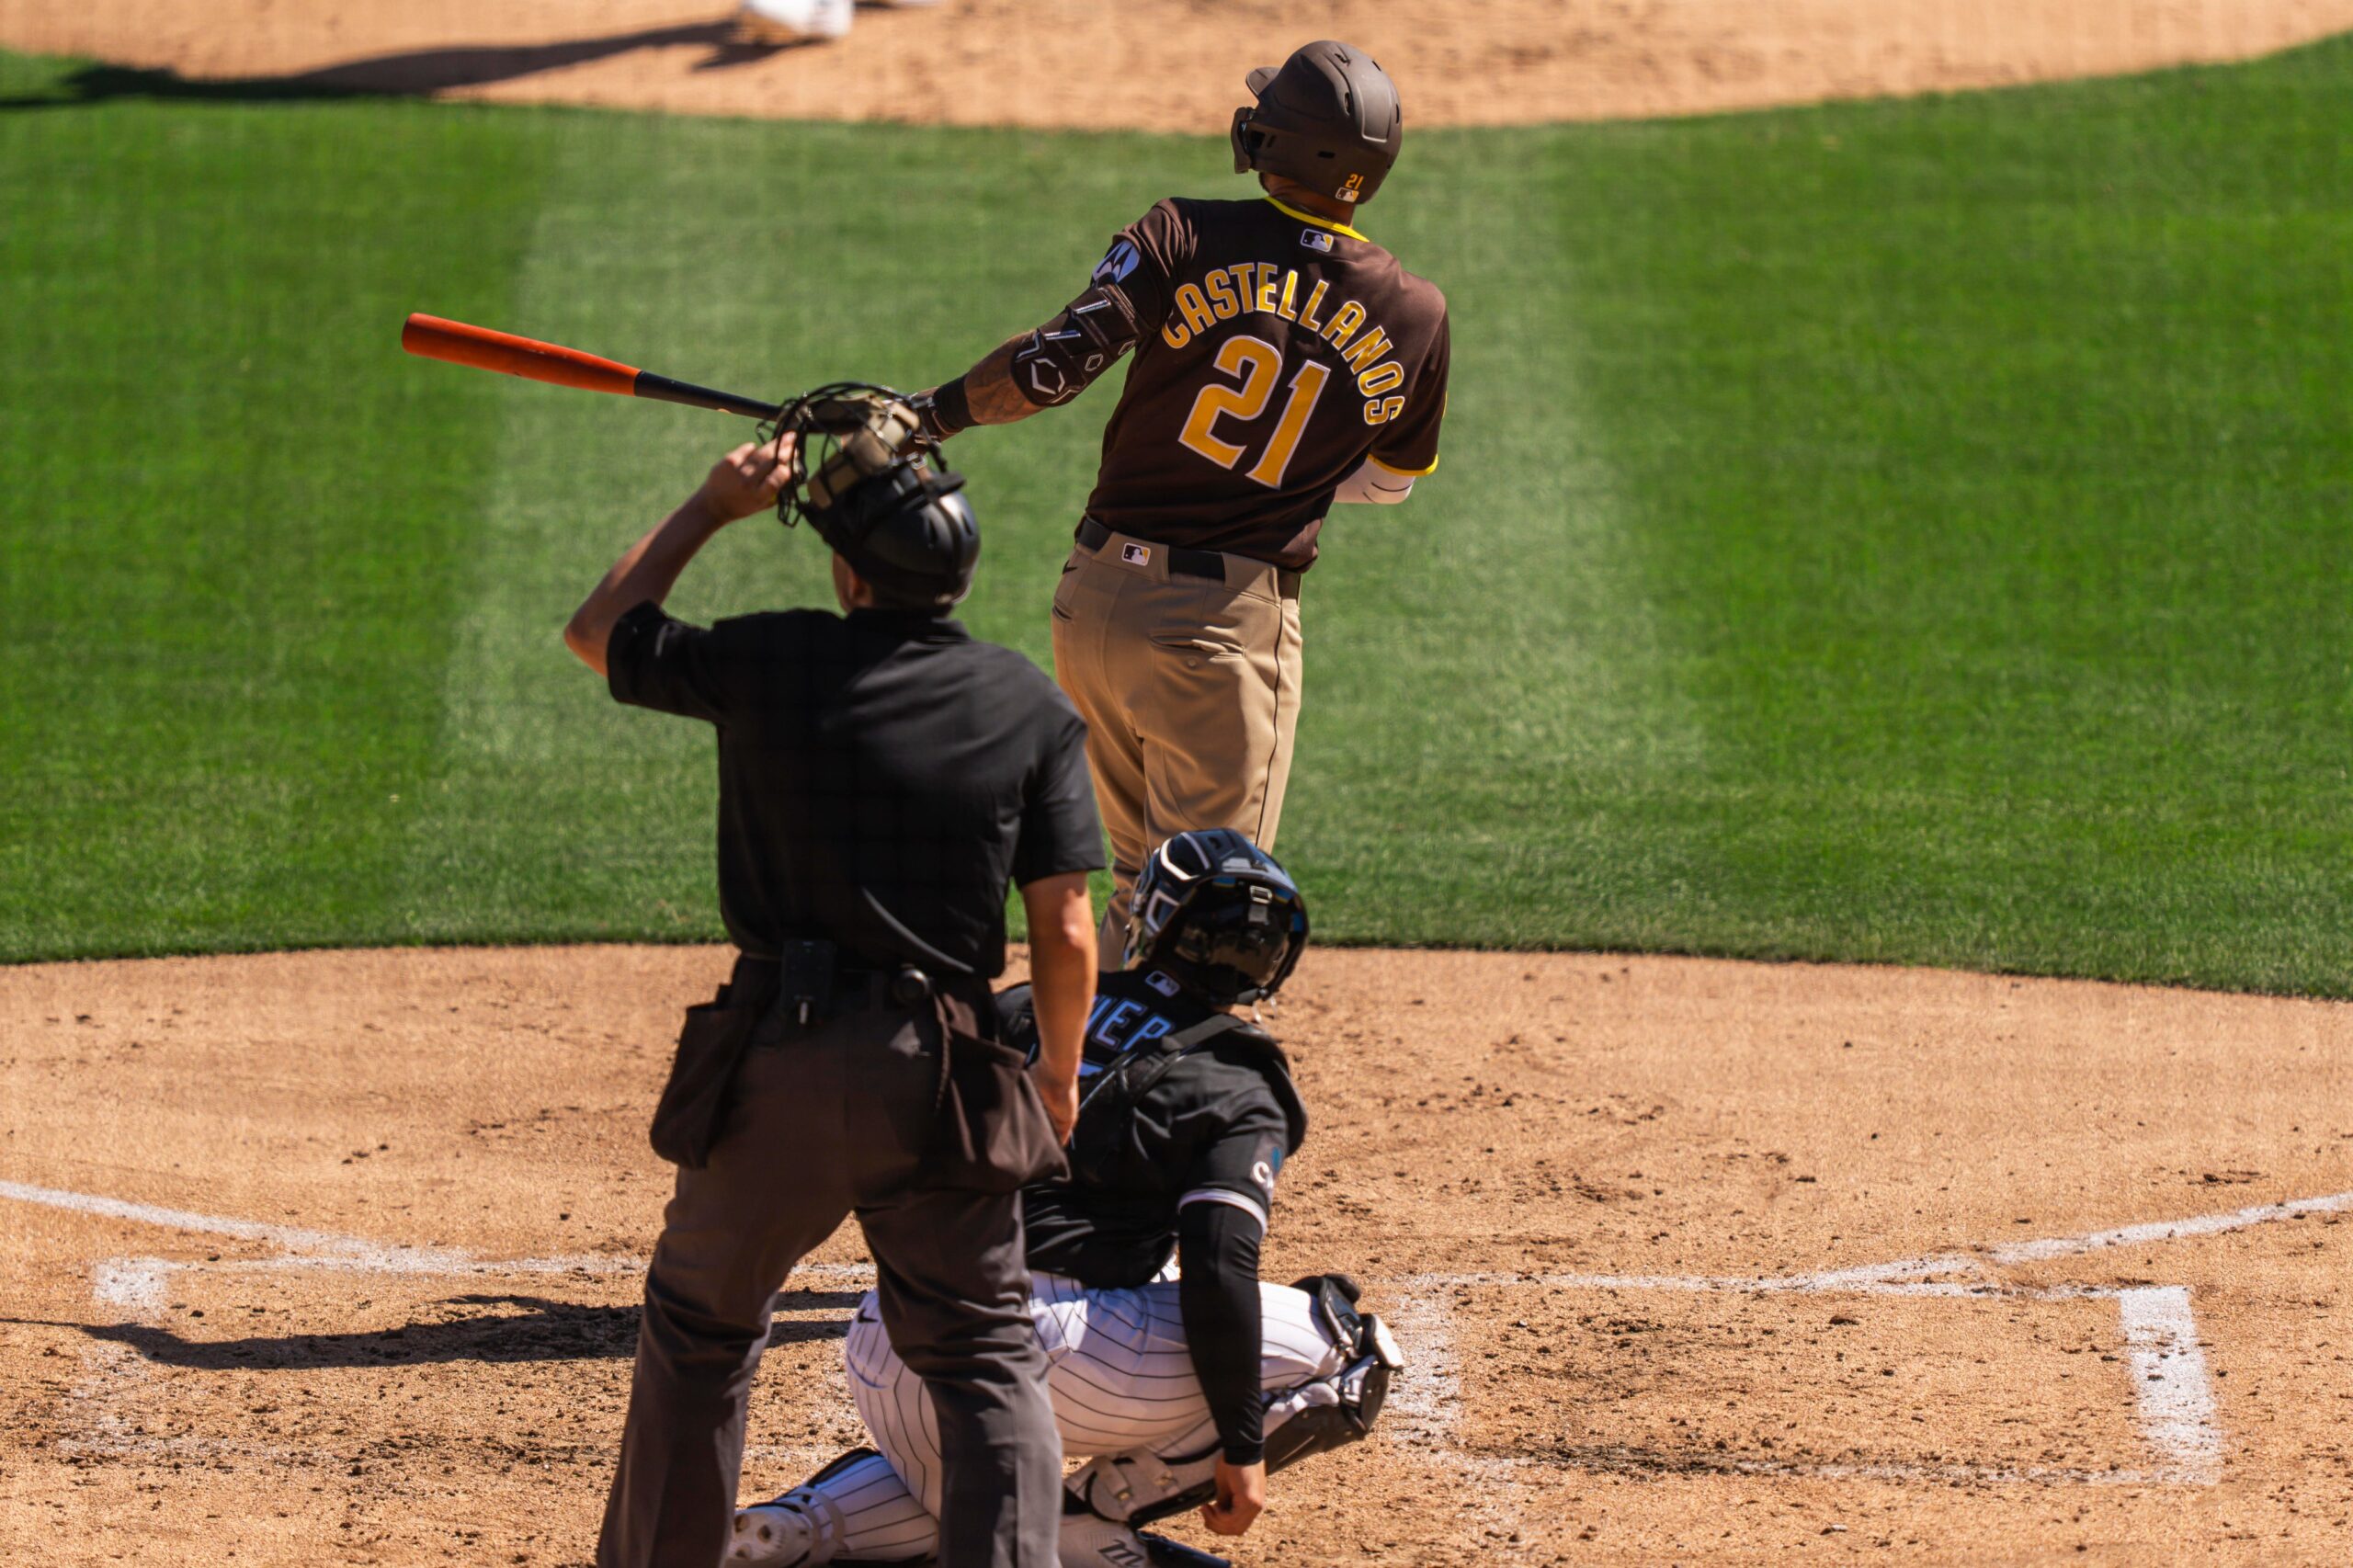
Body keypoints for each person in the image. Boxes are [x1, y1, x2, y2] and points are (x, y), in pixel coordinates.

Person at [563, 401, 1103, 1568]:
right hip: (945, 1078)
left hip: (777, 1068)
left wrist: (713, 506)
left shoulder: (769, 658)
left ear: (850, 577)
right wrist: (1055, 1072)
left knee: (700, 1331)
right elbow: (1064, 924)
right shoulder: (1026, 704)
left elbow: (600, 630)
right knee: (981, 1355)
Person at [724, 831, 1404, 1568]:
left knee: (974, 1494)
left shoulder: (1030, 1004)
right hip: (1042, 1353)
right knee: (1347, 1349)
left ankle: (800, 1530)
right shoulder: (1239, 1079)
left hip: (887, 1339)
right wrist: (1242, 1446)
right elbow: (1219, 1264)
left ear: (1153, 920)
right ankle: (1090, 1521)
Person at [908, 39, 1451, 957]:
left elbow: (1048, 368)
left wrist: (928, 415)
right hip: (1220, 634)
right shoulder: (1415, 312)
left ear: (1267, 140)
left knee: (1139, 884)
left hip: (1093, 611)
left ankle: (1075, 1081)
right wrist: (1288, 479)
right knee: (1213, 916)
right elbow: (1391, 481)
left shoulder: (1183, 232)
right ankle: (1166, 1097)